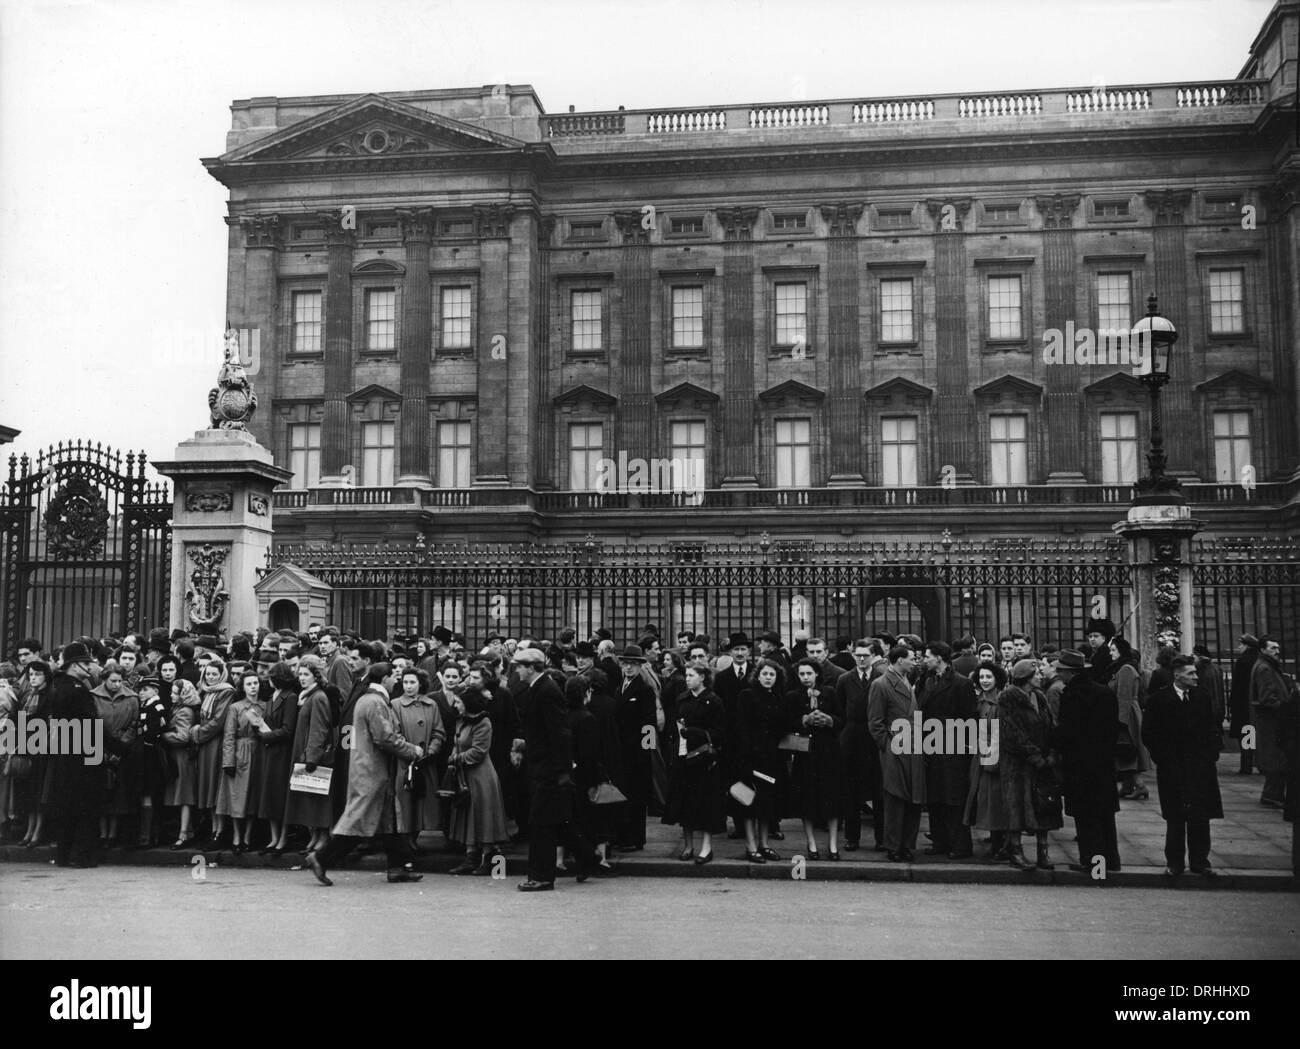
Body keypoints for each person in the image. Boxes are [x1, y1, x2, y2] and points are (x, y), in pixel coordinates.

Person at [306, 663, 427, 886]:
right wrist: (412, 751)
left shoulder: (369, 699)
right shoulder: (375, 702)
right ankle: (321, 857)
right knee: (358, 822)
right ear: (384, 679)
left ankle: (397, 868)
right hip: (372, 771)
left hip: (371, 770)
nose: (396, 681)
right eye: (393, 677)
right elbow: (384, 737)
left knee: (389, 819)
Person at [514, 647, 598, 890]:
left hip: (549, 769)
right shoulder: (538, 688)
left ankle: (542, 876)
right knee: (558, 819)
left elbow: (560, 734)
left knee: (541, 823)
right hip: (544, 766)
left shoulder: (546, 690)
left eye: (520, 665)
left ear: (531, 668)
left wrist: (562, 771)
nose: (517, 670)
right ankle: (588, 857)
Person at [1143, 655, 1224, 879]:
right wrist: (1163, 758)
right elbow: (1149, 733)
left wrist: (1211, 753)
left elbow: (1211, 726)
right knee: (1176, 817)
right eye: (1190, 674)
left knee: (1200, 816)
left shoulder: (1202, 696)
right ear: (1177, 675)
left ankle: (1200, 861)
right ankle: (1175, 862)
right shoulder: (1159, 700)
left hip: (1200, 766)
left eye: (1195, 673)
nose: (1195, 677)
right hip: (1173, 767)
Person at [1051, 650, 1121, 877]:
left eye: (1060, 670)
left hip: (1080, 766)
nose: (1058, 674)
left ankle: (1094, 865)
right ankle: (1111, 862)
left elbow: (1067, 733)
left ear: (1069, 672)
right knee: (1105, 817)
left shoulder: (1072, 695)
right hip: (1103, 763)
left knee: (1087, 819)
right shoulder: (1104, 692)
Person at [999, 658, 1062, 871]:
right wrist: (1035, 756)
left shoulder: (1039, 696)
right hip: (1018, 764)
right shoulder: (1008, 698)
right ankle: (1015, 852)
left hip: (1041, 763)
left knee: (1043, 806)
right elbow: (1013, 733)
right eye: (1035, 674)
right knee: (1016, 806)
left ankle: (1043, 852)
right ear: (1025, 677)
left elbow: (1052, 725)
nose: (1040, 676)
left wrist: (1052, 753)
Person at [47, 642, 104, 869]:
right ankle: (82, 857)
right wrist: (118, 748)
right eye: (86, 663)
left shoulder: (58, 686)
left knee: (66, 807)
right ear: (74, 665)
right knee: (85, 806)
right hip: (82, 754)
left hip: (64, 753)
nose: (89, 667)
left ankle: (63, 855)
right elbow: (93, 725)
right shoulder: (78, 690)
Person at [663, 663, 726, 864]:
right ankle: (688, 845)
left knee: (706, 804)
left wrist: (697, 733)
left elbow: (719, 731)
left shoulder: (714, 701)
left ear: (702, 678)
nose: (687, 679)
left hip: (704, 758)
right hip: (684, 756)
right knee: (686, 802)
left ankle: (706, 847)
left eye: (691, 675)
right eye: (687, 675)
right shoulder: (682, 699)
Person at [869, 646, 926, 862]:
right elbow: (875, 723)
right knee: (895, 799)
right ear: (900, 660)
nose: (915, 662)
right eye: (912, 659)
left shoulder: (907, 681)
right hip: (896, 749)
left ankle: (906, 844)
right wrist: (889, 748)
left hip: (913, 749)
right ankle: (893, 845)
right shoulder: (881, 684)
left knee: (913, 799)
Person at [919, 642, 974, 859]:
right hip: (931, 746)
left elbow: (969, 717)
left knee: (953, 799)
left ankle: (960, 845)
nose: (924, 660)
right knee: (935, 798)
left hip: (953, 748)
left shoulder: (961, 683)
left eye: (928, 656)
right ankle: (940, 842)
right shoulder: (927, 680)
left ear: (939, 658)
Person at [447, 685, 510, 874]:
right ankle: (471, 857)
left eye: (458, 701)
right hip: (465, 775)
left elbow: (478, 752)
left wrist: (455, 759)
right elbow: (457, 743)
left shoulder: (483, 722)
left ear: (468, 703)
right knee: (470, 817)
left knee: (483, 817)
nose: (455, 705)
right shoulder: (461, 720)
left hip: (480, 777)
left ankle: (488, 857)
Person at [788, 658, 844, 859]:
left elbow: (841, 718)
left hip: (828, 752)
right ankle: (811, 843)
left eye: (808, 674)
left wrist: (829, 720)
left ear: (817, 674)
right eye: (801, 674)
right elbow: (788, 723)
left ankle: (833, 845)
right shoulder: (793, 696)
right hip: (805, 754)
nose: (805, 678)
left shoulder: (829, 692)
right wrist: (804, 720)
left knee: (831, 798)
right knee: (807, 799)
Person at [735, 659, 787, 863]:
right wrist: (745, 756)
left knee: (767, 804)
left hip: (772, 756)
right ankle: (751, 846)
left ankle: (764, 844)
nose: (768, 678)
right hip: (750, 755)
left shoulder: (778, 697)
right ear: (758, 676)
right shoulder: (746, 696)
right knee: (749, 802)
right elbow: (740, 727)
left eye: (772, 675)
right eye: (764, 674)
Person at [284, 656, 335, 854]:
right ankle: (314, 836)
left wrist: (312, 757)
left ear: (316, 676)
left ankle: (322, 837)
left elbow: (319, 730)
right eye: (300, 674)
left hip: (313, 756)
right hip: (304, 751)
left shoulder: (319, 697)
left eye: (306, 674)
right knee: (310, 798)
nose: (302, 678)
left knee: (318, 799)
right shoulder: (308, 695)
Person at [391, 667, 446, 852]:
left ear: (420, 683)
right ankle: (406, 839)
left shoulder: (431, 705)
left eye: (412, 682)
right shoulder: (395, 705)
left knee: (423, 801)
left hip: (425, 763)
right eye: (405, 682)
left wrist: (431, 750)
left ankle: (415, 836)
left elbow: (439, 732)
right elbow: (394, 733)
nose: (408, 686)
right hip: (405, 763)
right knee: (406, 801)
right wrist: (410, 751)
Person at [837, 639, 884, 852]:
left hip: (875, 740)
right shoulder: (844, 679)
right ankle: (852, 838)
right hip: (852, 740)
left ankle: (881, 838)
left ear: (873, 656)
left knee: (879, 792)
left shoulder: (881, 678)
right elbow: (840, 708)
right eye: (858, 655)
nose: (862, 659)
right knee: (851, 792)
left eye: (866, 655)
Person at [216, 670, 269, 852]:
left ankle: (247, 836)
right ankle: (237, 836)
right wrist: (228, 761)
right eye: (249, 684)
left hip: (260, 752)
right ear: (243, 687)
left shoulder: (265, 706)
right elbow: (229, 736)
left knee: (253, 796)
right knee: (237, 797)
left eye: (255, 683)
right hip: (240, 754)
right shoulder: (236, 707)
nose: (253, 687)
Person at [612, 643, 656, 852]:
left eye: (632, 664)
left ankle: (635, 838)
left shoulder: (644, 690)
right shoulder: (619, 687)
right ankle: (624, 836)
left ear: (640, 666)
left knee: (637, 797)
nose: (628, 668)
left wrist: (647, 751)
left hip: (637, 753)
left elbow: (650, 724)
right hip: (621, 751)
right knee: (624, 794)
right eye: (625, 664)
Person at [90, 662, 138, 848]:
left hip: (122, 751)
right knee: (101, 794)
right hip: (99, 749)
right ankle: (102, 833)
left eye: (120, 680)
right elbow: (92, 724)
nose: (117, 684)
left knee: (118, 795)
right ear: (104, 679)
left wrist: (121, 748)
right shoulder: (94, 696)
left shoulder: (131, 697)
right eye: (113, 681)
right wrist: (101, 749)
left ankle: (113, 833)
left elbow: (133, 725)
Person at [256, 660, 300, 855]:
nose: (269, 680)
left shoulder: (290, 697)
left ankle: (282, 839)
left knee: (279, 796)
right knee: (269, 797)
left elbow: (288, 729)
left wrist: (266, 735)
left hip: (281, 752)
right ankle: (273, 839)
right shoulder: (273, 696)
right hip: (270, 750)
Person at [192, 659, 235, 848]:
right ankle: (213, 830)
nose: (210, 677)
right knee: (208, 787)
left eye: (214, 674)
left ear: (221, 675)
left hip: (215, 743)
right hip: (205, 745)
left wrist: (197, 734)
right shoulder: (204, 691)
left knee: (215, 788)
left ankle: (220, 831)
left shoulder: (226, 691)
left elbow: (218, 721)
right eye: (207, 674)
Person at [160, 659, 202, 849]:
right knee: (182, 795)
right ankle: (187, 830)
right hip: (179, 757)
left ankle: (184, 833)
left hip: (182, 757)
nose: (171, 694)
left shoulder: (184, 711)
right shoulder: (181, 708)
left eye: (174, 692)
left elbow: (183, 737)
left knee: (184, 796)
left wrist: (163, 735)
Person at [128, 677, 170, 849]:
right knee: (147, 793)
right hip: (147, 752)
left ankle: (147, 837)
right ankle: (149, 835)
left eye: (145, 689)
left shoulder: (155, 707)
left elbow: (153, 731)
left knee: (147, 792)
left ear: (155, 690)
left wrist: (145, 740)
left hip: (150, 753)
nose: (141, 693)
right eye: (140, 689)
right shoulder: (148, 706)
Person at [1250, 637, 1291, 809]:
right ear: (1263, 650)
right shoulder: (1265, 668)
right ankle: (1272, 795)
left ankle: (1272, 794)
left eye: (1278, 647)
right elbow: (1267, 698)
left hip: (1272, 720)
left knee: (1277, 757)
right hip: (1273, 721)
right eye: (1273, 648)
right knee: (1277, 758)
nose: (1277, 651)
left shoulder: (1267, 666)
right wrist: (1286, 710)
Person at [1108, 636, 1151, 801]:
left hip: (1127, 715)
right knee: (1125, 751)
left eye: (1113, 650)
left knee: (1128, 749)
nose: (1111, 654)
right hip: (1127, 712)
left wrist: (1121, 722)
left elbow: (1123, 697)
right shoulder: (1123, 668)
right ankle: (1127, 786)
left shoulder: (1125, 669)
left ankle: (1140, 786)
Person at [1230, 635, 1260, 774]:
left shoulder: (1242, 661)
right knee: (1254, 733)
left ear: (1247, 646)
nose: (1239, 647)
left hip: (1243, 705)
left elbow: (1237, 685)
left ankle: (1246, 765)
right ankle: (1258, 763)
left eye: (1241, 645)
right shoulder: (1259, 660)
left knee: (1246, 735)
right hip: (1255, 704)